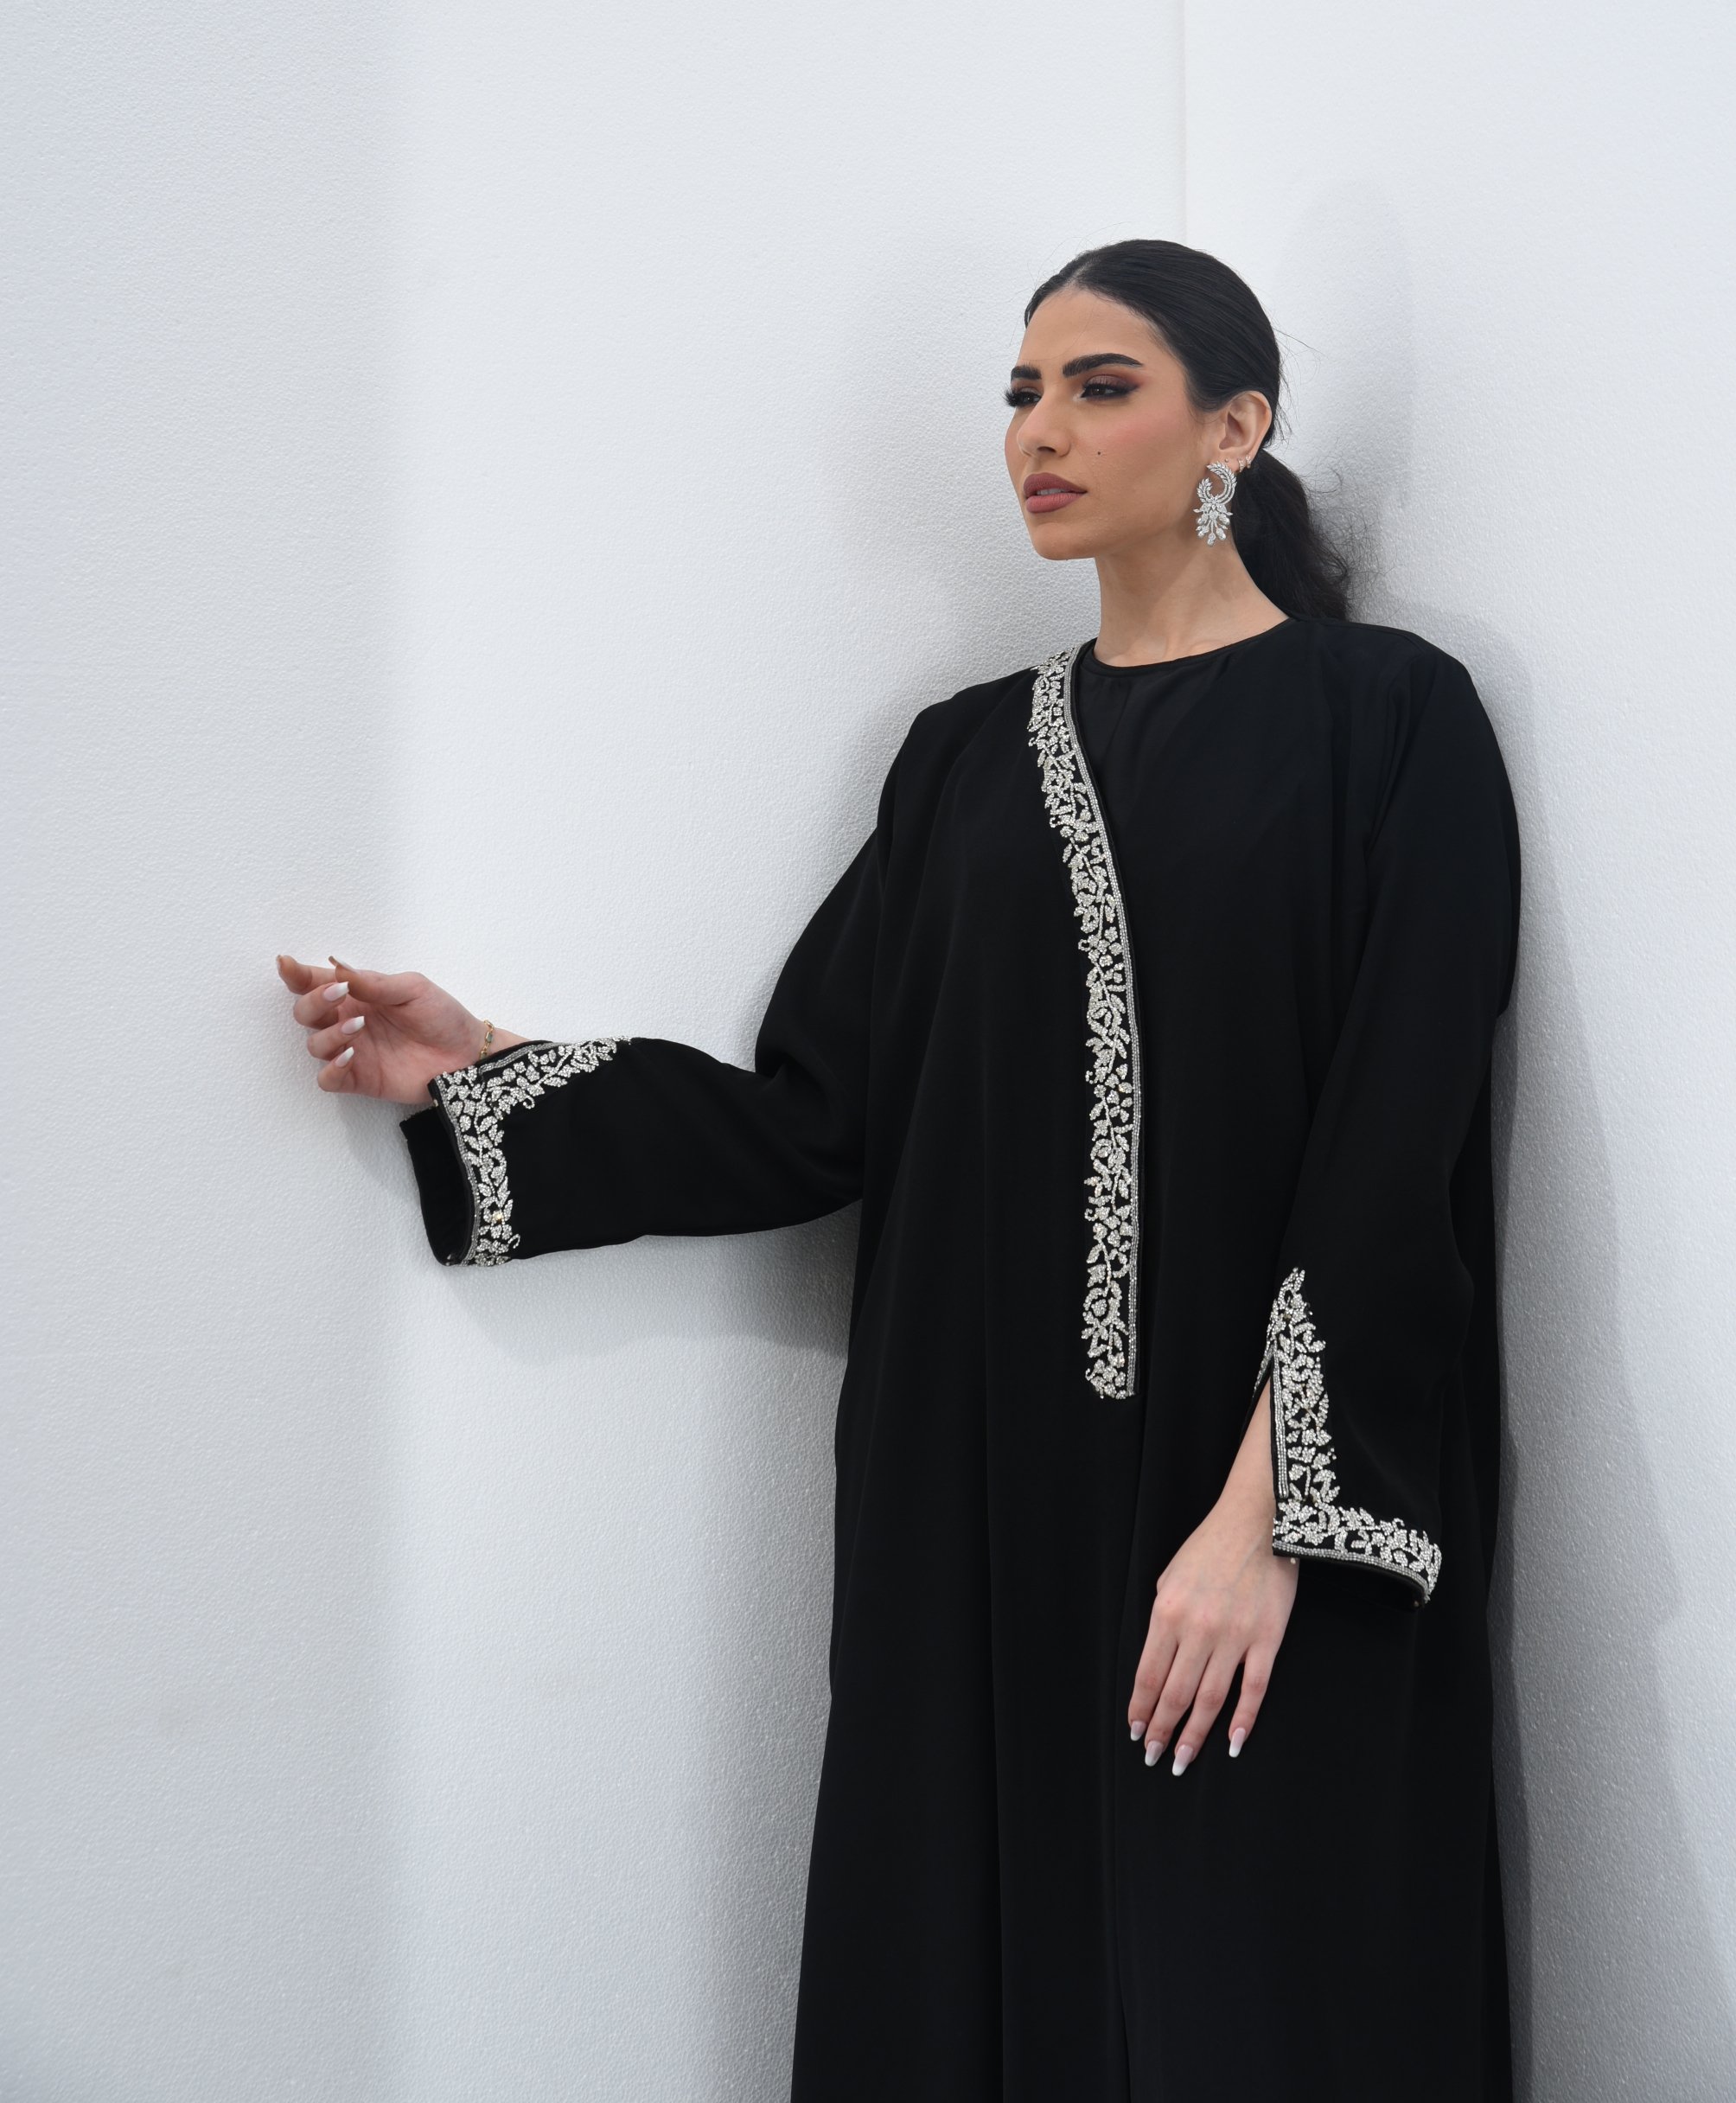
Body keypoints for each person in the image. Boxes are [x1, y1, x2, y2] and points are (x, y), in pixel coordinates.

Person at [278, 239, 1520, 2102]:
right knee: (982, 1972)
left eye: (1100, 385)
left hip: (1272, 1505)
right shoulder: (962, 764)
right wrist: (479, 1068)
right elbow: (821, 1111)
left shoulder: (1390, 719)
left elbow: (1395, 1137)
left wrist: (1262, 1519)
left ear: (1234, 427)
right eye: (1019, 393)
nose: (1039, 430)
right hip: (981, 1502)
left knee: (1261, 1989)